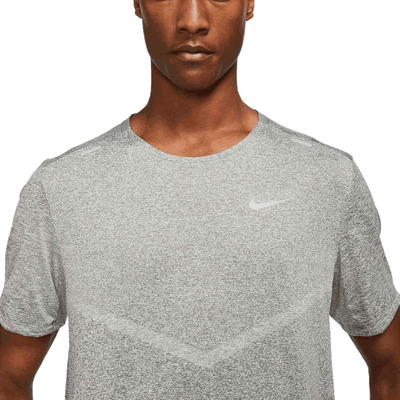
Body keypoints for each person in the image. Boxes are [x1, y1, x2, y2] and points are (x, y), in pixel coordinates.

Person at [0, 0, 399, 399]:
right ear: (138, 3)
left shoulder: (327, 178)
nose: (192, 20)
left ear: (249, 4)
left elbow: (391, 361)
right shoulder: (61, 187)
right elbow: (9, 376)